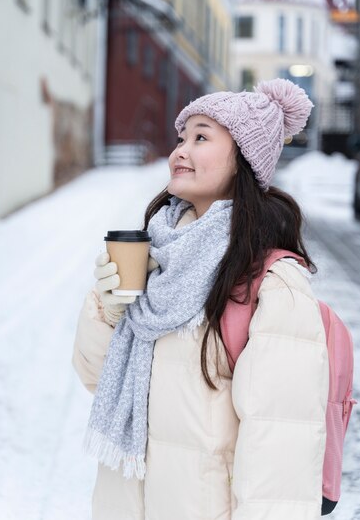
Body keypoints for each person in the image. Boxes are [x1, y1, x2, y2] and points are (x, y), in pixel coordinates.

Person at [72, 78, 329, 520]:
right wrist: (109, 309)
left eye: (201, 137)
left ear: (242, 160)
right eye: (180, 137)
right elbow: (99, 379)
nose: (180, 150)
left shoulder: (273, 285)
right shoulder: (157, 259)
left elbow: (280, 448)